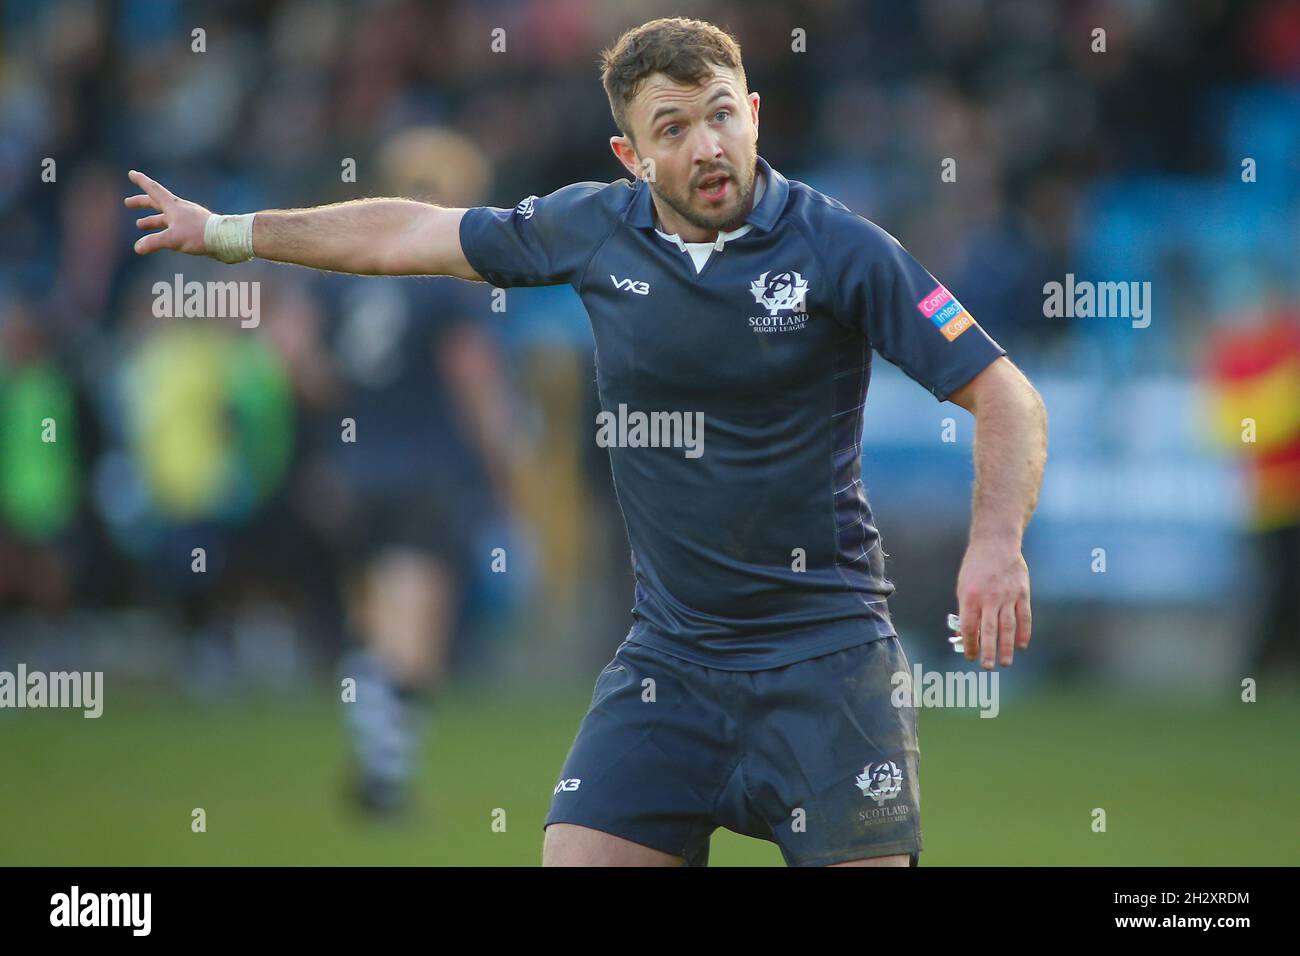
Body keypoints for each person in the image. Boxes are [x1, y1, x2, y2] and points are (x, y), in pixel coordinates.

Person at [123, 16, 1047, 867]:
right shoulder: (594, 227)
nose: (708, 146)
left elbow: (1007, 396)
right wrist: (229, 232)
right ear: (630, 154)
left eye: (723, 116)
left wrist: (998, 544)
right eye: (673, 128)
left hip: (828, 660)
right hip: (671, 663)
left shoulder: (843, 251)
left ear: (754, 113)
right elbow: (410, 230)